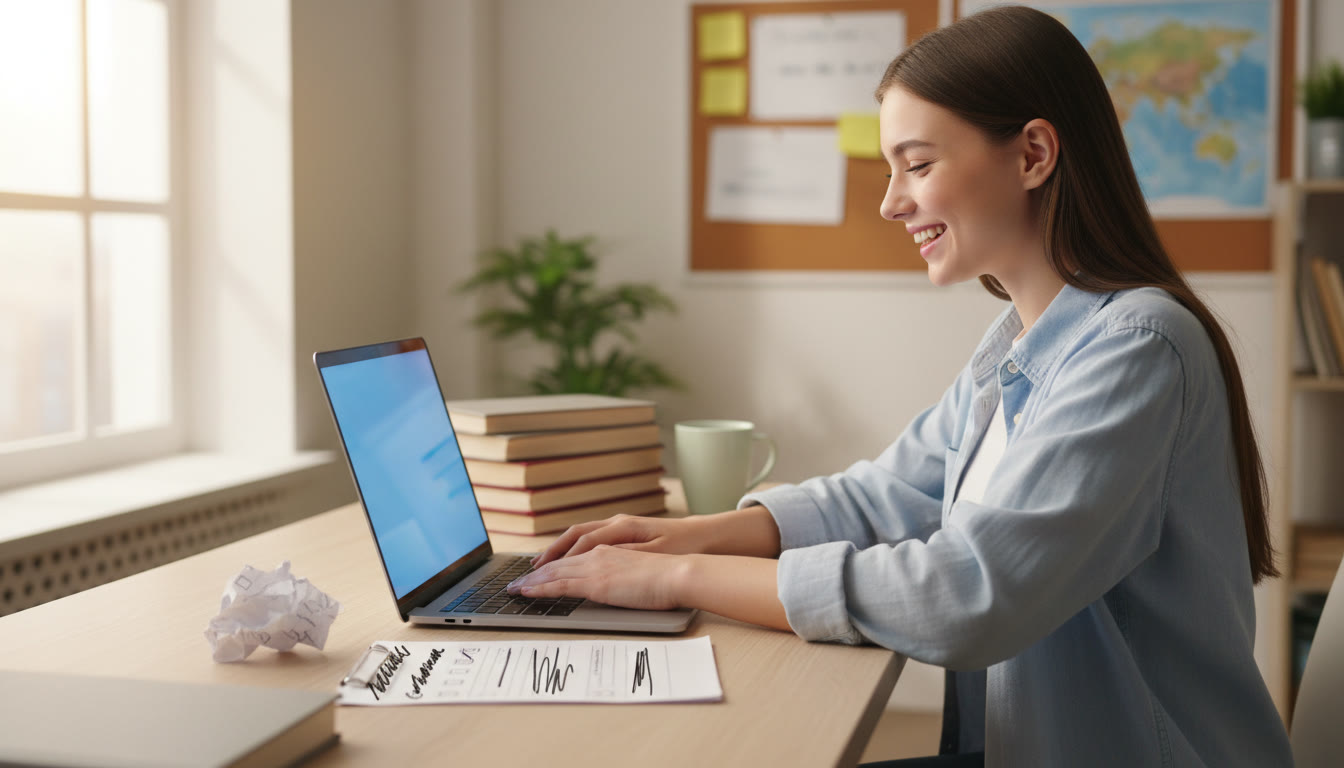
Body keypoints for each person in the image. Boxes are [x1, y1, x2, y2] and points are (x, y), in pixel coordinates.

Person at [505, 6, 1293, 766]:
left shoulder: (1137, 351)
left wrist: (675, 578)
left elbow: (967, 596)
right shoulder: (1018, 344)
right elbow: (882, 497)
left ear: (1032, 155)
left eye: (917, 165)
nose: (891, 201)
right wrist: (683, 533)